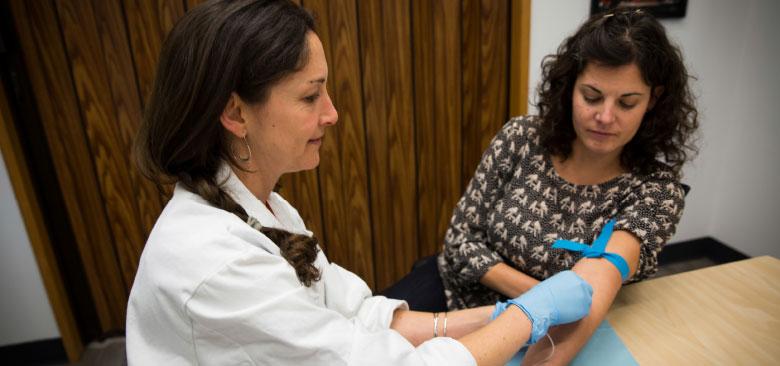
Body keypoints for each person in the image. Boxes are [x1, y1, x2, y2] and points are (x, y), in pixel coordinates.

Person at [125, 1, 593, 365]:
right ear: (235, 113)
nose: (332, 113)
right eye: (311, 96)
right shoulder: (215, 265)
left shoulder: (264, 210)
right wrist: (525, 316)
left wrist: (488, 318)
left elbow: (354, 315)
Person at [432, 8, 698, 365]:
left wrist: (541, 311)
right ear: (570, 86)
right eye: (591, 96)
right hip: (465, 296)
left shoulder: (655, 191)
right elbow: (461, 242)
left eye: (626, 103)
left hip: (566, 330)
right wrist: (546, 302)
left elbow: (599, 282)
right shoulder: (520, 139)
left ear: (652, 100)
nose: (605, 117)